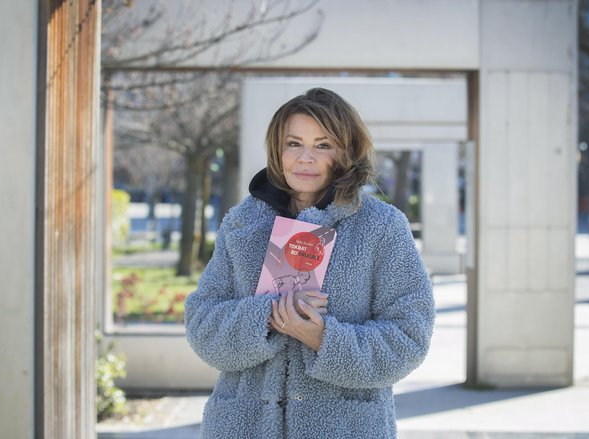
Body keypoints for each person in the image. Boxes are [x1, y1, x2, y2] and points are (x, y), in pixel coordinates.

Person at [184, 87, 435, 438]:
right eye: (293, 143)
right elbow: (202, 323)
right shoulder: (242, 223)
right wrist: (270, 315)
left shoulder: (382, 226)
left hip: (345, 428)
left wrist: (324, 339)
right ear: (277, 149)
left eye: (323, 145)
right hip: (242, 427)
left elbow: (409, 337)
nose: (305, 158)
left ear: (346, 152)